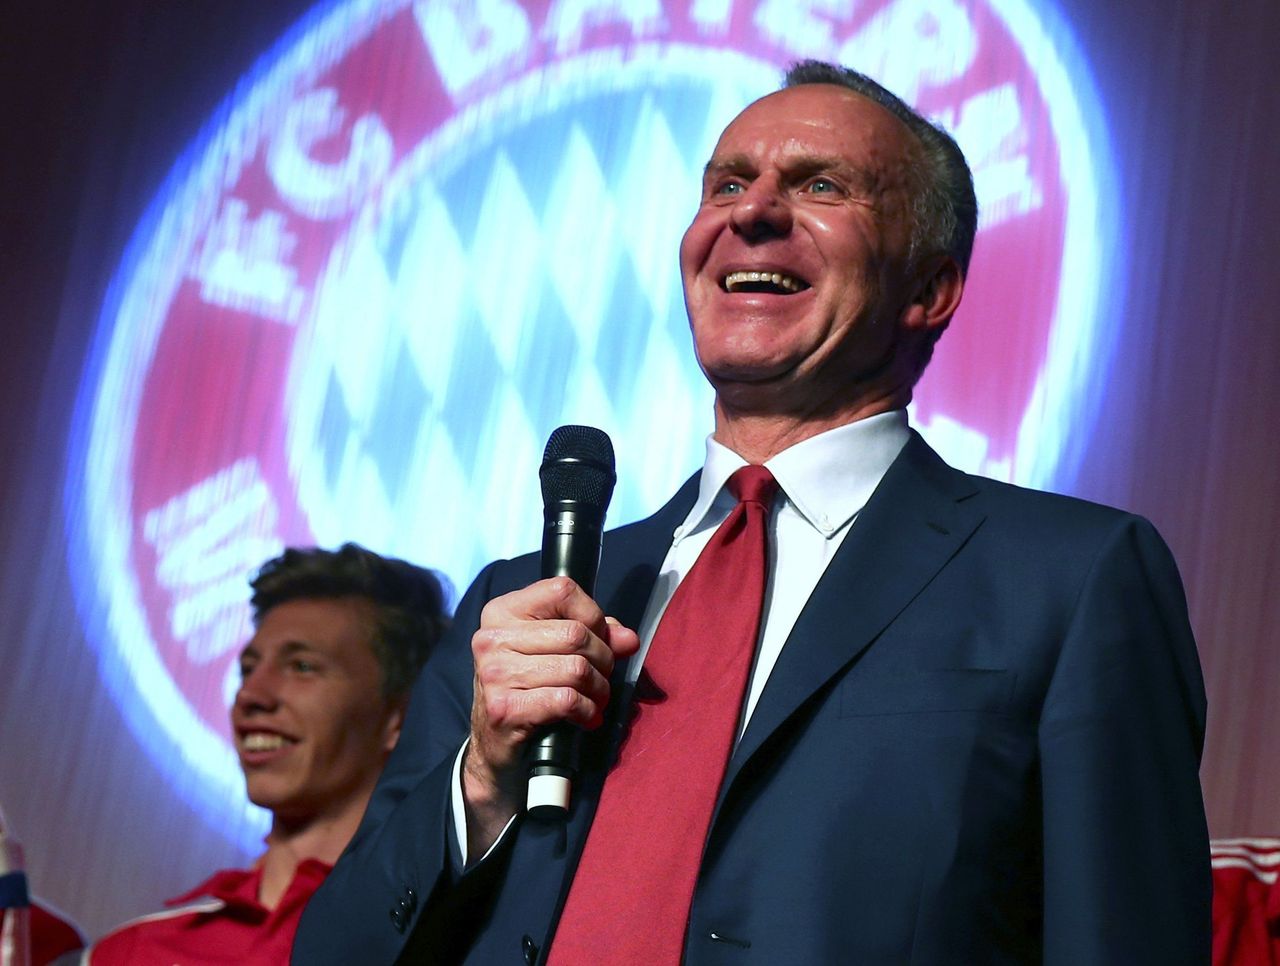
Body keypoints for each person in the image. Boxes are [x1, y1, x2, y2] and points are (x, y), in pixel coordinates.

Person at [293, 61, 1210, 964]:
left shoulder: (1068, 581)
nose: (752, 212)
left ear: (929, 291)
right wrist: (483, 780)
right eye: (727, 184)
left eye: (821, 186)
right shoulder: (530, 603)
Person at [85, 543, 448, 965]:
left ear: (400, 718)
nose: (250, 695)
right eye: (247, 669)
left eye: (302, 667)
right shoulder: (131, 953)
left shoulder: (442, 947)